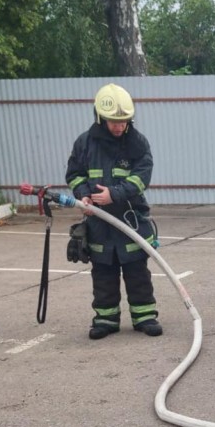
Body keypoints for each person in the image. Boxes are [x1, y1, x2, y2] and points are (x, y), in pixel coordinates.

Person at [66, 83, 162, 340]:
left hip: (129, 219)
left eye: (124, 121)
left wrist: (114, 194)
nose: (120, 126)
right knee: (103, 272)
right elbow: (74, 174)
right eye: (114, 121)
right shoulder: (85, 143)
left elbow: (143, 175)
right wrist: (83, 195)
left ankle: (145, 316)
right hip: (99, 223)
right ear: (100, 117)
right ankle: (106, 319)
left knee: (136, 270)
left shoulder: (137, 142)